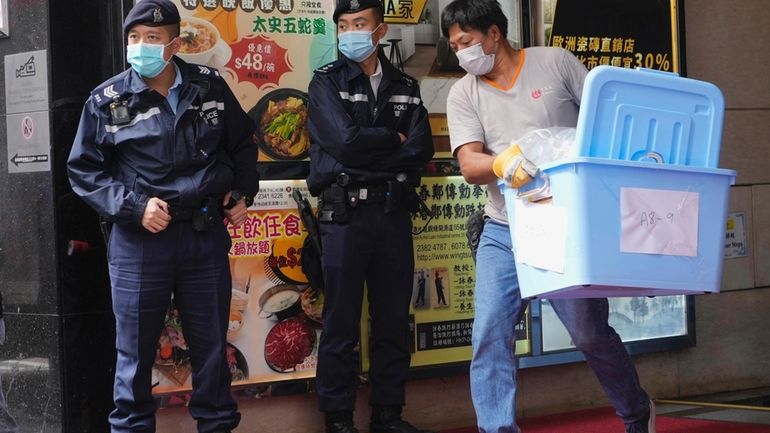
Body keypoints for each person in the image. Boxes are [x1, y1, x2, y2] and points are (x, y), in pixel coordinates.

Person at [442, 1, 656, 433]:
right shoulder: (463, 92)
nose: (461, 53)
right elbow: (469, 164)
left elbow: (607, 124)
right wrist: (504, 162)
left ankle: (636, 411)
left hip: (565, 229)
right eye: (454, 46)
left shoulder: (554, 62)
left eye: (466, 42)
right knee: (489, 334)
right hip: (503, 229)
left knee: (590, 333)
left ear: (493, 34)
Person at [67, 1, 258, 432]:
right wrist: (135, 207)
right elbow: (84, 170)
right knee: (134, 355)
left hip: (203, 235)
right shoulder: (107, 100)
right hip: (140, 242)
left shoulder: (210, 87)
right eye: (133, 38)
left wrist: (242, 190)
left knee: (212, 349)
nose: (140, 47)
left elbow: (244, 143)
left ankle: (216, 425)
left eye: (151, 39)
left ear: (173, 44)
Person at [305, 0, 435, 432]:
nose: (349, 33)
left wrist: (370, 148)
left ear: (380, 31)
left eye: (359, 24)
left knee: (393, 318)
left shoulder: (405, 85)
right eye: (343, 26)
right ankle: (339, 418)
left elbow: (419, 150)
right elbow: (341, 143)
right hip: (344, 216)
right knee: (341, 320)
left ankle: (387, 414)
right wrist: (390, 142)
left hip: (393, 214)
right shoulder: (325, 82)